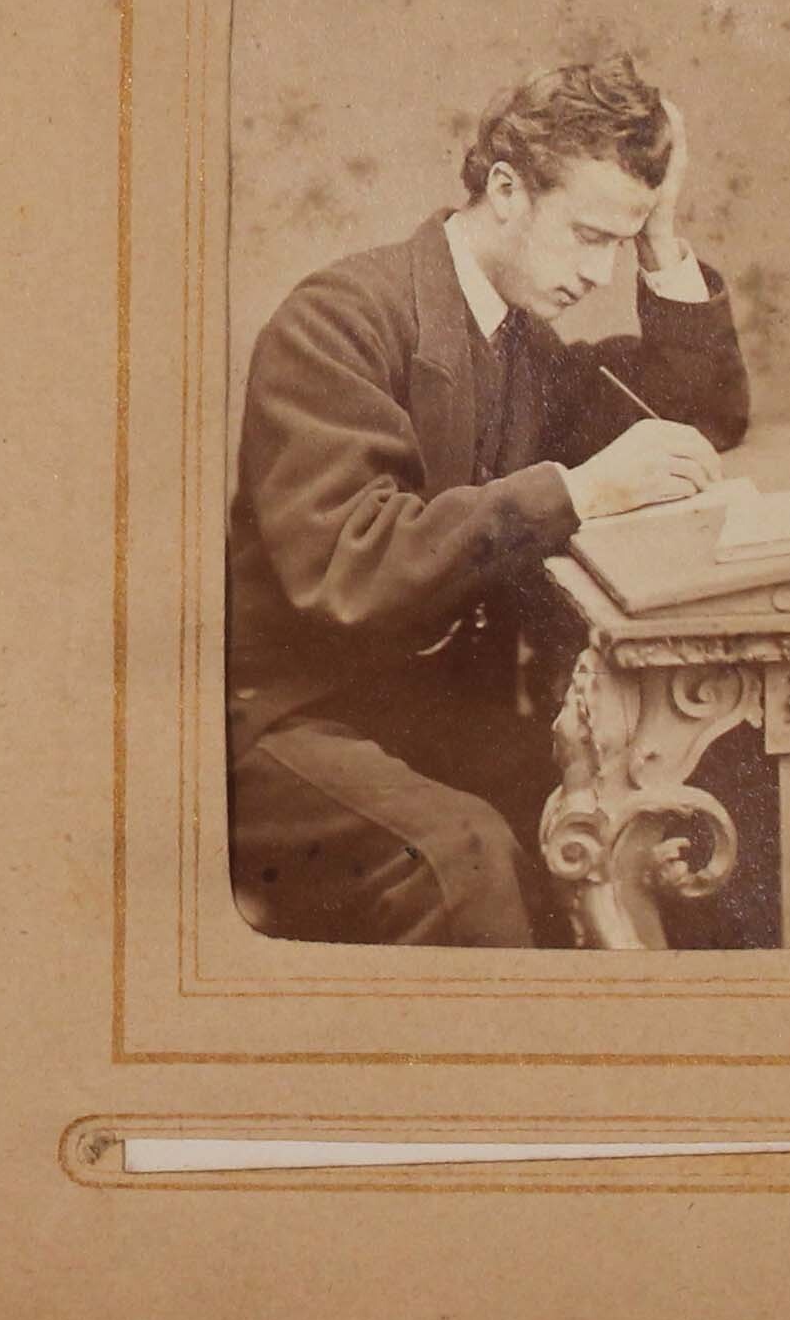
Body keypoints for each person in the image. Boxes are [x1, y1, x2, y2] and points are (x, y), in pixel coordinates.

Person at [226, 56, 750, 947]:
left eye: (618, 246)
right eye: (587, 235)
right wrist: (576, 491)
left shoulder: (519, 339)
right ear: (505, 189)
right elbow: (348, 566)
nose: (598, 273)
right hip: (285, 721)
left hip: (419, 711)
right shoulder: (339, 319)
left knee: (653, 809)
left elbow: (697, 415)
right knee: (468, 860)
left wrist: (658, 236)